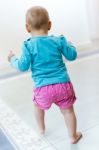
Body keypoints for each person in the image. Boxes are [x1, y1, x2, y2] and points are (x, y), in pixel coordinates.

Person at [8, 6, 82, 144]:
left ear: (27, 28)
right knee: (68, 111)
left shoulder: (28, 45)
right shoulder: (58, 40)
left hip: (42, 88)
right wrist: (69, 44)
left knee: (37, 106)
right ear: (49, 24)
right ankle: (72, 136)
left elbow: (23, 66)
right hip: (62, 85)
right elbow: (72, 55)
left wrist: (12, 59)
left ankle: (41, 128)